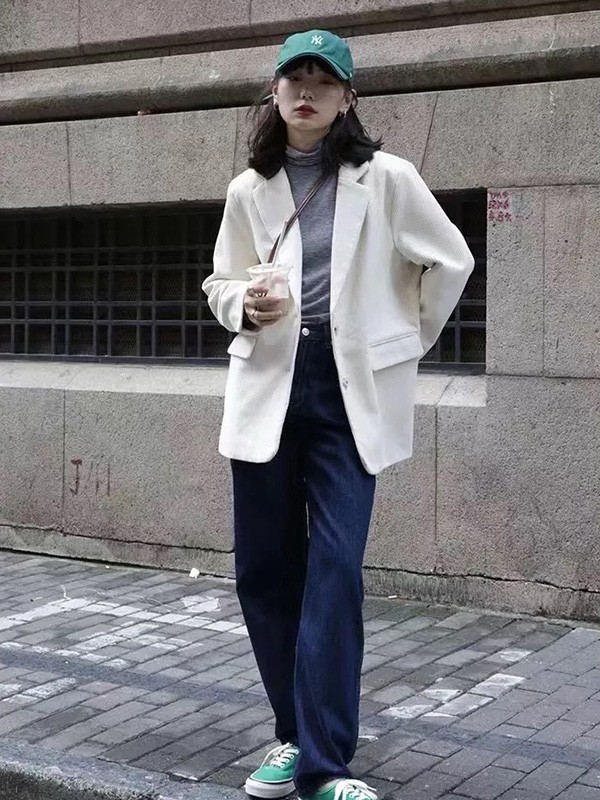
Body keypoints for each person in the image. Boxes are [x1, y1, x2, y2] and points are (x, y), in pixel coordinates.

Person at [202, 29, 474, 800]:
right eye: (295, 78)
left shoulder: (386, 179)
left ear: (348, 97)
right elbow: (219, 281)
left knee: (334, 569)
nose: (308, 91)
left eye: (325, 80)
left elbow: (451, 259)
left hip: (347, 391)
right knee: (263, 569)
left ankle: (325, 767)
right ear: (275, 92)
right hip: (269, 382)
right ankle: (294, 734)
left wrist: (401, 339)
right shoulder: (249, 189)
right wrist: (243, 305)